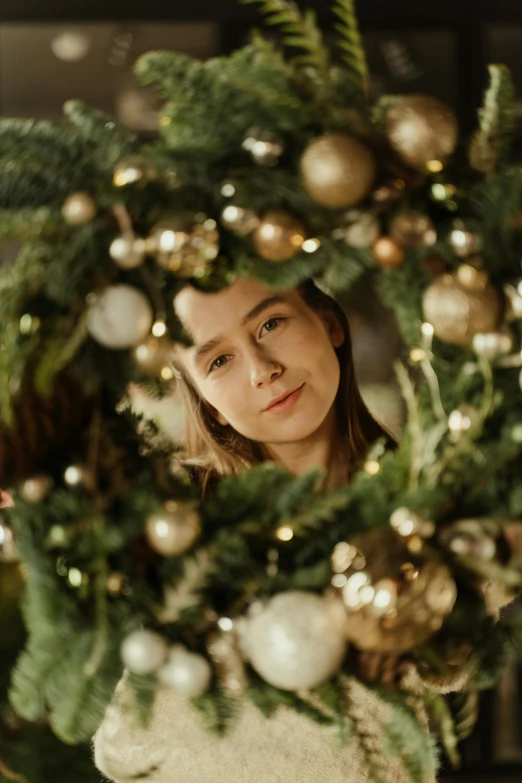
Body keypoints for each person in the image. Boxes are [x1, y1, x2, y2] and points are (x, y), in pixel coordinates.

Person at [93, 276, 458, 783]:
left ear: (328, 323)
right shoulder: (178, 526)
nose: (264, 371)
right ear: (205, 399)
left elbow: (450, 658)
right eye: (219, 360)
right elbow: (126, 743)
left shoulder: (426, 510)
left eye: (271, 324)